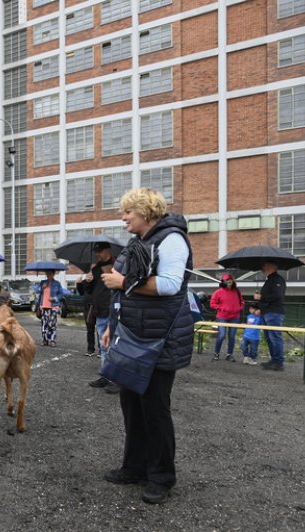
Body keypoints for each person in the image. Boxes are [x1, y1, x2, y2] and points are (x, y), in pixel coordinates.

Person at [100, 187, 194, 505]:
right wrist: (113, 329)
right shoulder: (138, 241)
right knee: (131, 405)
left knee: (155, 410)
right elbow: (123, 283)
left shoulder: (172, 239)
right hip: (135, 334)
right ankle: (135, 467)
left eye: (128, 211)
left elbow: (169, 284)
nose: (123, 217)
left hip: (161, 338)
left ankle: (162, 477)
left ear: (146, 212)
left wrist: (124, 282)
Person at [86, 242, 117, 391]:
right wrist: (88, 280)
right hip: (99, 311)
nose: (97, 254)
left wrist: (112, 272)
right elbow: (90, 290)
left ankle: (117, 379)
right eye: (95, 251)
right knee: (104, 346)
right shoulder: (96, 269)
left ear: (108, 250)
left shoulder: (118, 265)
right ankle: (106, 376)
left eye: (99, 251)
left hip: (114, 311)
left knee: (115, 346)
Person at [254, 261, 286, 371]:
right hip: (267, 313)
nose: (262, 267)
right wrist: (260, 307)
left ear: (272, 266)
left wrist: (261, 298)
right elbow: (268, 297)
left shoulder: (277, 280)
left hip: (274, 313)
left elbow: (277, 296)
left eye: (264, 265)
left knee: (275, 338)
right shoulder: (269, 280)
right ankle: (274, 360)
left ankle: (278, 362)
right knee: (269, 338)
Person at [210, 273, 245, 362]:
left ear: (233, 281)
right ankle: (216, 354)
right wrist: (222, 308)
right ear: (223, 281)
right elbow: (212, 304)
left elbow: (242, 302)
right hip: (222, 317)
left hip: (235, 317)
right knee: (221, 335)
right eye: (227, 280)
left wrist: (239, 308)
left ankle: (229, 355)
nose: (229, 281)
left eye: (231, 279)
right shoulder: (218, 292)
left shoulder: (237, 291)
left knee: (232, 336)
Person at [36, 270, 64, 347]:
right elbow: (37, 291)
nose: (48, 275)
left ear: (53, 274)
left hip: (53, 307)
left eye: (50, 273)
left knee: (52, 324)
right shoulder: (43, 282)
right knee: (44, 324)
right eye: (47, 273)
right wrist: (42, 288)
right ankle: (45, 340)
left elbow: (61, 294)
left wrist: (54, 298)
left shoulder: (57, 283)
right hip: (44, 306)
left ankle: (52, 340)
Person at [76, 273, 95, 356]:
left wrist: (91, 282)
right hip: (87, 308)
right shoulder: (84, 282)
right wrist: (78, 284)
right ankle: (90, 349)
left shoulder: (97, 282)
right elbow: (81, 293)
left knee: (100, 330)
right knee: (90, 329)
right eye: (88, 274)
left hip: (97, 307)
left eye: (91, 274)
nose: (89, 276)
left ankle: (102, 350)